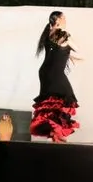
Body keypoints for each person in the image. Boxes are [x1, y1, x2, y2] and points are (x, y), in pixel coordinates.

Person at [30, 10, 82, 143]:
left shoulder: (48, 33)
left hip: (45, 73)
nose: (65, 21)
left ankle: (55, 134)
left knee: (52, 104)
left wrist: (67, 54)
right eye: (63, 18)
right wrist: (70, 51)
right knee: (66, 99)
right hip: (55, 73)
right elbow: (79, 50)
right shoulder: (63, 34)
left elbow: (57, 51)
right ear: (57, 20)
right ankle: (57, 134)